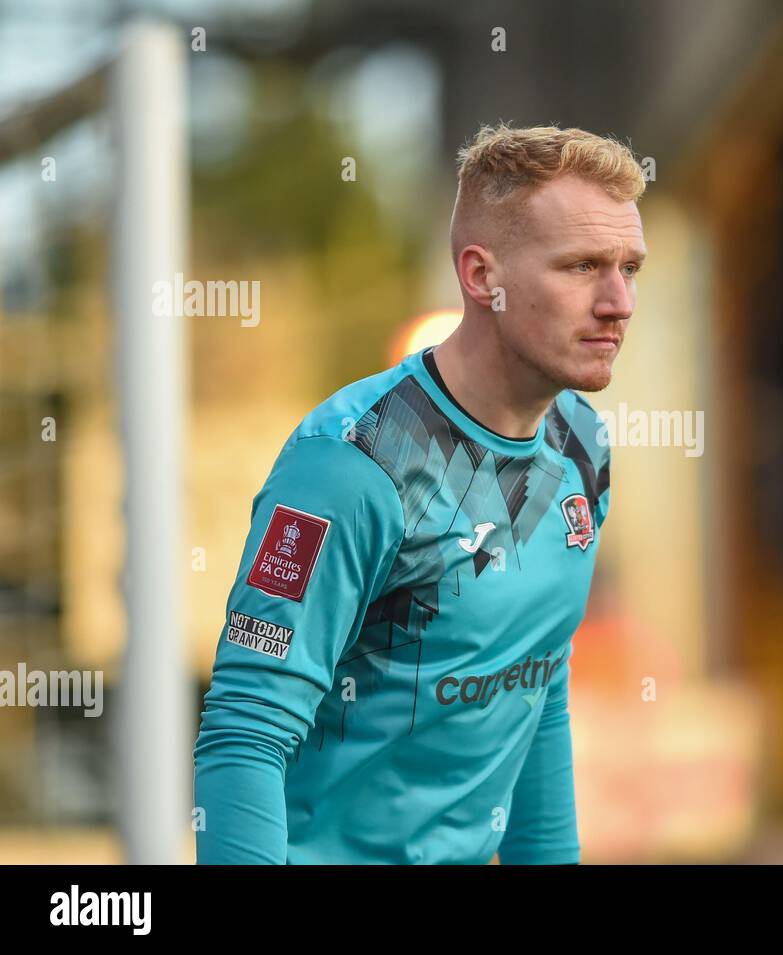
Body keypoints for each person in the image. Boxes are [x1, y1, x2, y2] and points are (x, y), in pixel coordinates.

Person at [193, 122, 647, 863]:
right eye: (582, 266)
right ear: (480, 276)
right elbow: (245, 731)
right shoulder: (349, 466)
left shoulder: (581, 444)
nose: (618, 300)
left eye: (630, 267)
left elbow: (536, 694)